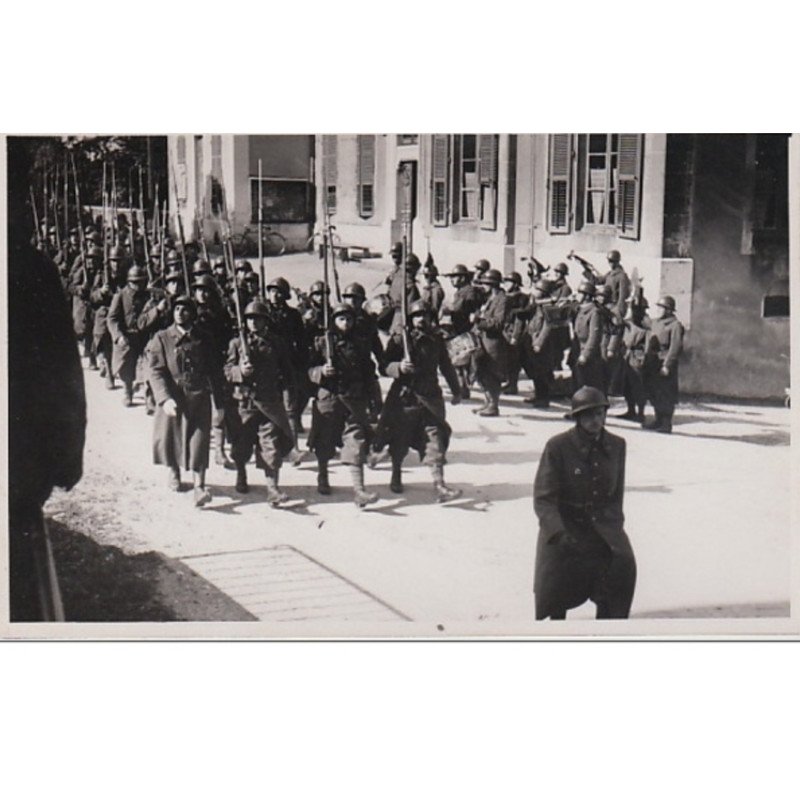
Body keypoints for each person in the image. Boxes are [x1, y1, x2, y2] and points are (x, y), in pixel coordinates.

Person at [533, 386, 636, 620]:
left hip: (602, 526)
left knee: (623, 566)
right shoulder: (557, 446)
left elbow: (616, 495)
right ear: (577, 417)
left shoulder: (617, 445)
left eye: (600, 414)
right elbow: (544, 498)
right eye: (589, 415)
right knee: (555, 582)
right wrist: (557, 532)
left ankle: (609, 628)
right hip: (566, 526)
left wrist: (614, 527)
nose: (596, 420)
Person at [375, 301, 463, 502]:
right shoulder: (400, 339)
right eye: (416, 316)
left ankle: (439, 484)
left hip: (430, 396)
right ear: (410, 319)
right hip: (405, 397)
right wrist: (399, 367)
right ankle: (396, 473)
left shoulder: (436, 339)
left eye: (424, 315)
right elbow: (383, 366)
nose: (421, 319)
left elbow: (446, 366)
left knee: (435, 439)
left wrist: (456, 390)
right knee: (400, 438)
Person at [148, 296, 225, 506]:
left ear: (192, 313)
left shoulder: (205, 338)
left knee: (199, 441)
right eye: (177, 309)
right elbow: (155, 371)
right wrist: (164, 398)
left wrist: (220, 403)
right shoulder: (162, 338)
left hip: (199, 396)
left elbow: (215, 371)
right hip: (174, 396)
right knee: (171, 437)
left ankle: (199, 486)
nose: (180, 313)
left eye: (185, 309)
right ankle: (173, 472)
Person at [307, 303, 378, 508]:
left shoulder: (360, 344)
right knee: (324, 441)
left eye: (349, 319)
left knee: (356, 442)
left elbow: (368, 374)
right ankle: (322, 476)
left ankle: (359, 490)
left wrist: (374, 400)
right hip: (329, 399)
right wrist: (321, 371)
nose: (345, 323)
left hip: (353, 399)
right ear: (333, 321)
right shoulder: (321, 343)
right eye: (340, 319)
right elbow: (307, 370)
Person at [225, 300, 296, 505]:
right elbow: (227, 371)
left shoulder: (277, 343)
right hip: (245, 402)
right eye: (249, 319)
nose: (253, 323)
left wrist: (291, 394)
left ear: (266, 321)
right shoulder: (237, 343)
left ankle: (273, 488)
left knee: (271, 444)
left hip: (269, 401)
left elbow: (287, 370)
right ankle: (241, 474)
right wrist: (240, 371)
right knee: (241, 443)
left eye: (258, 319)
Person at [107, 264, 151, 406]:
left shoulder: (148, 295)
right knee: (126, 367)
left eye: (141, 282)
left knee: (149, 365)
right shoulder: (120, 295)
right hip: (128, 337)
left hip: (144, 336)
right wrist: (118, 335)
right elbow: (112, 318)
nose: (138, 286)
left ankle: (149, 395)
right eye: (134, 282)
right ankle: (127, 391)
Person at [642, 295, 684, 433]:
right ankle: (658, 419)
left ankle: (666, 423)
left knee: (666, 394)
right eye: (658, 307)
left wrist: (667, 365)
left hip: (665, 363)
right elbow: (642, 320)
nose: (659, 310)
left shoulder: (675, 325)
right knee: (655, 392)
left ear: (669, 310)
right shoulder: (656, 323)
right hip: (654, 363)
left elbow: (675, 347)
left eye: (662, 308)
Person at [441, 263, 483, 400]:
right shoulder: (461, 291)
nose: (452, 280)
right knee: (459, 361)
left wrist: (449, 310)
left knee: (462, 361)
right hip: (460, 328)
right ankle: (462, 388)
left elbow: (463, 307)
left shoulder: (469, 291)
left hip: (467, 329)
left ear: (463, 278)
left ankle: (464, 388)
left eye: (454, 277)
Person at [471, 268, 509, 417]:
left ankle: (493, 406)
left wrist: (479, 321)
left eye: (486, 283)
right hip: (484, 340)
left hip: (493, 343)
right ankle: (488, 402)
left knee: (492, 374)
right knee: (482, 373)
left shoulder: (502, 299)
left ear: (493, 284)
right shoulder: (490, 299)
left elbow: (498, 323)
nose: (484, 286)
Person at [616, 293, 650, 422]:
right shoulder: (629, 321)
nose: (635, 311)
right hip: (627, 356)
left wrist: (644, 358)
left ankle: (640, 413)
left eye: (637, 309)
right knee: (627, 385)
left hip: (638, 356)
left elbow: (647, 341)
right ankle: (631, 410)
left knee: (638, 385)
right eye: (634, 309)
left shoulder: (646, 323)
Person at [568, 280, 604, 391]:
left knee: (588, 383)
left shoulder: (594, 312)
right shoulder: (580, 309)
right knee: (577, 381)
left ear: (587, 296)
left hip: (587, 352)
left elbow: (594, 337)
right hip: (577, 349)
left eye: (580, 293)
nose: (577, 295)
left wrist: (586, 354)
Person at [603, 250, 632, 320]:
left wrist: (618, 312)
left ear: (617, 262)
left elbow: (622, 296)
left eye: (612, 261)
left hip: (614, 307)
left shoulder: (622, 276)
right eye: (609, 261)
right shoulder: (609, 274)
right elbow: (598, 281)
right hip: (606, 304)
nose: (610, 263)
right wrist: (587, 270)